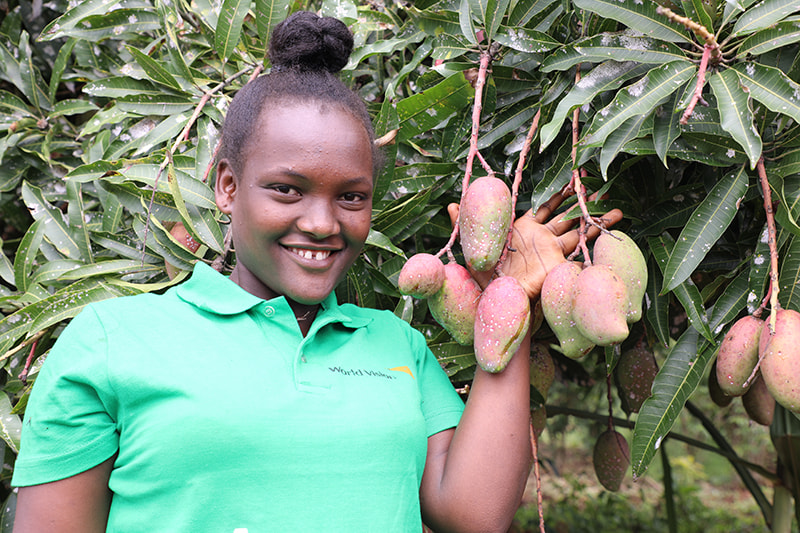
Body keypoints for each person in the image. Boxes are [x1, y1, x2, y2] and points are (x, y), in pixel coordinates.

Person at [11, 11, 621, 533]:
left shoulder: (397, 345)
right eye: (287, 190)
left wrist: (507, 298)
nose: (324, 223)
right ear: (228, 187)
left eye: (352, 197)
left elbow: (473, 515)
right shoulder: (113, 339)